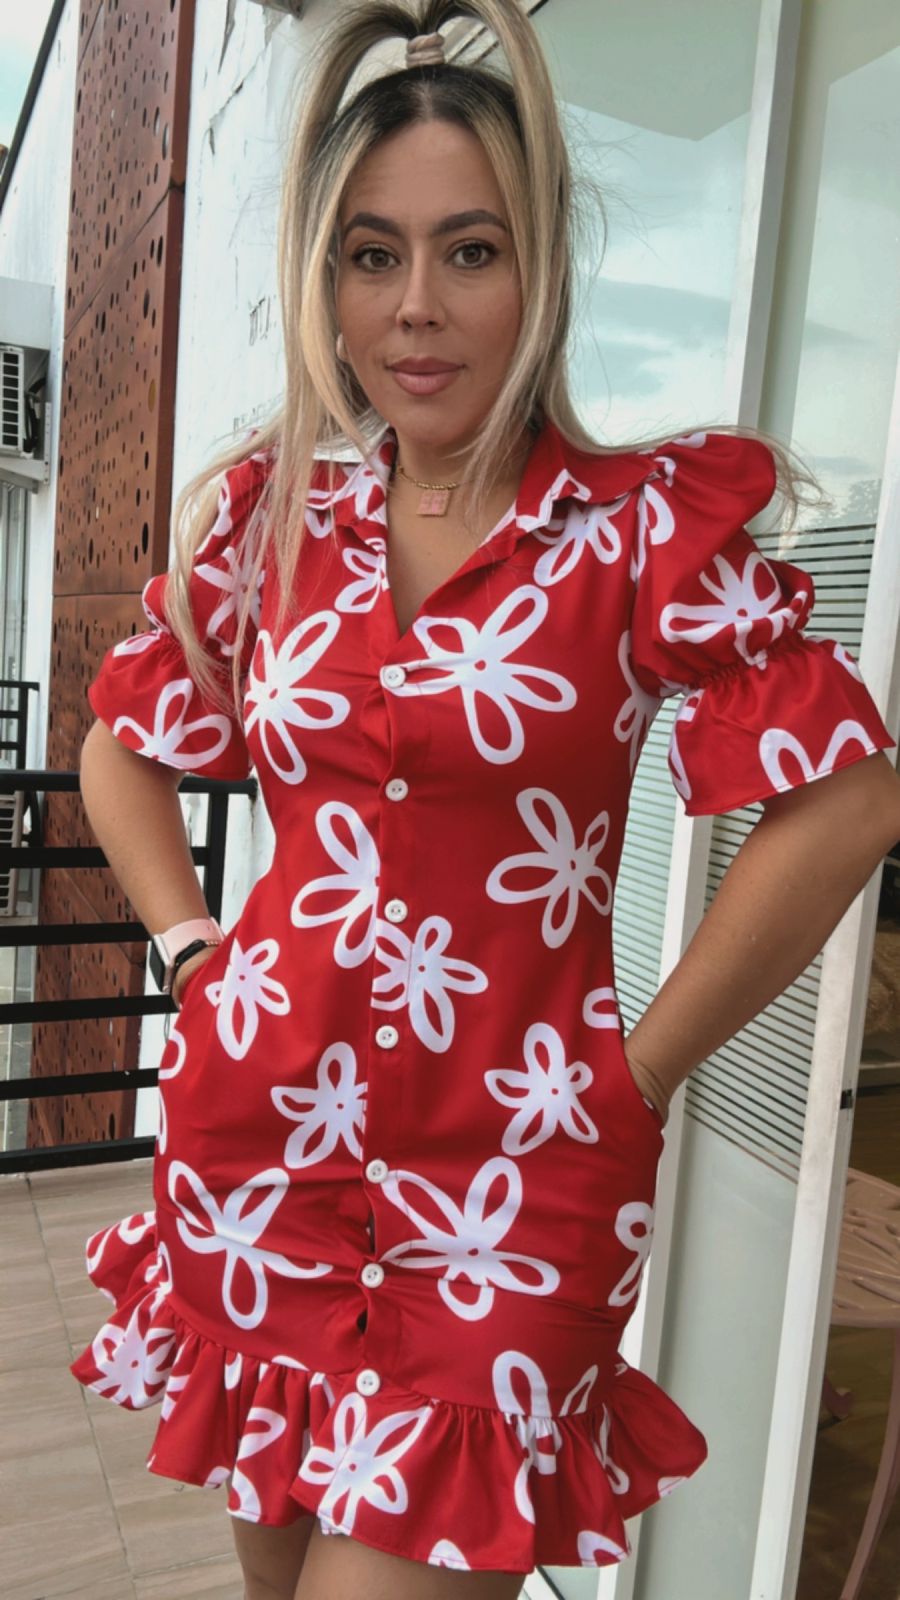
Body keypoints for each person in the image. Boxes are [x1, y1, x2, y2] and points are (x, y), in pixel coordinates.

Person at [71, 2, 900, 1596]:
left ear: (543, 272)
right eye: (371, 255)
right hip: (263, 1159)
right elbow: (123, 745)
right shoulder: (272, 520)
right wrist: (194, 951)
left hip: (516, 1191)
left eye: (471, 250)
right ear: (325, 283)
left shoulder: (639, 533)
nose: (417, 306)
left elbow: (848, 803)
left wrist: (636, 1074)